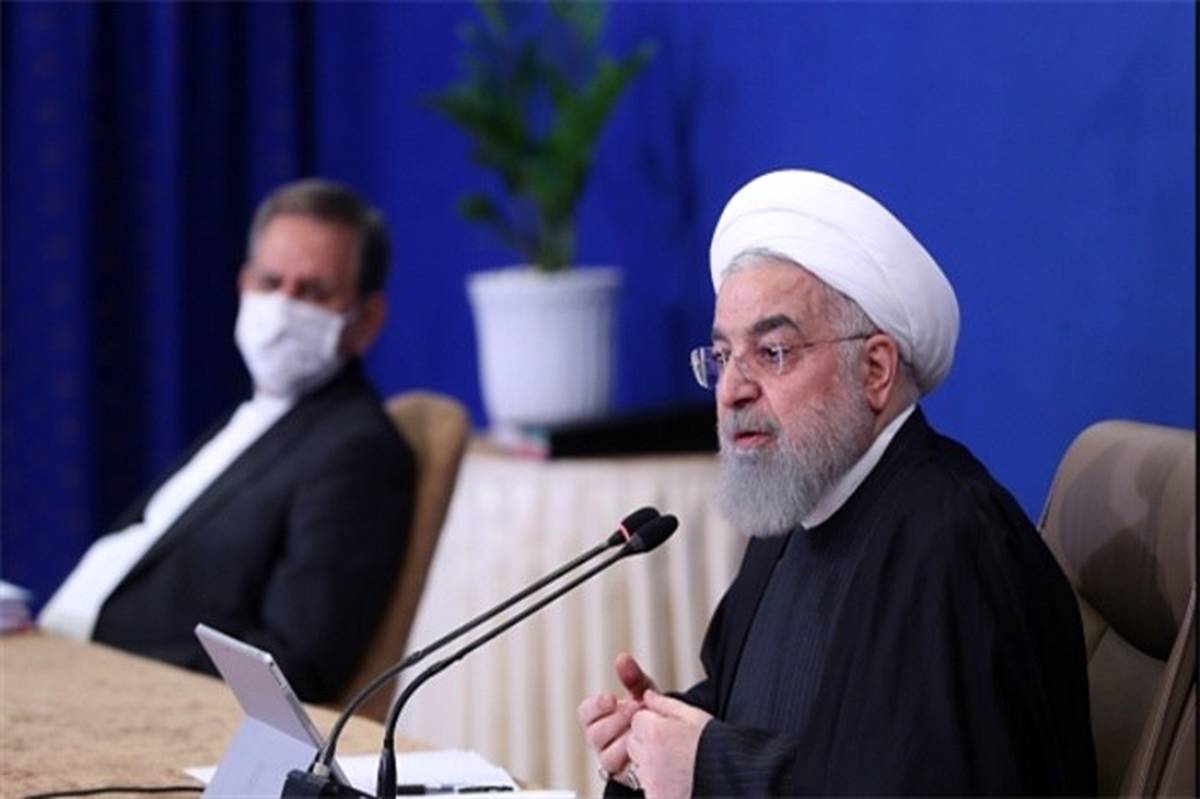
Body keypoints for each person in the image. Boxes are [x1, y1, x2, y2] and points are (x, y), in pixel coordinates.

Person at [577, 169, 1097, 796]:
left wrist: (710, 767)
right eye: (722, 357)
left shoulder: (952, 542)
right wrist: (652, 738)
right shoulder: (792, 515)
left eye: (772, 352)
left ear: (875, 369)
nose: (733, 389)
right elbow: (744, 715)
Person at [38, 178, 415, 703]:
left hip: (120, 694)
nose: (282, 308)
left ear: (367, 319)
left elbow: (295, 665)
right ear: (244, 284)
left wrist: (110, 672)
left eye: (312, 292)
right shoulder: (254, 415)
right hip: (52, 656)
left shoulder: (359, 451)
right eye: (270, 282)